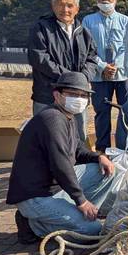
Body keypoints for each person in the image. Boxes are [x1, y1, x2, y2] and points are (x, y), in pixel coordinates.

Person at [8, 72, 115, 243]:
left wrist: (99, 157)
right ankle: (33, 225)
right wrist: (81, 201)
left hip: (55, 188)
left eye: (83, 95)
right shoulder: (52, 119)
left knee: (104, 170)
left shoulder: (67, 117)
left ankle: (78, 213)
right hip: (36, 196)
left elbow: (78, 150)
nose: (79, 99)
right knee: (92, 230)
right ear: (57, 95)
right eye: (73, 94)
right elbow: (61, 164)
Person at [28, 0, 98, 142]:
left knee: (78, 137)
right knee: (46, 137)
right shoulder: (41, 28)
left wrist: (83, 78)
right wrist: (71, 80)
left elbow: (92, 58)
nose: (65, 10)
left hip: (77, 96)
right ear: (53, 6)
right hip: (48, 94)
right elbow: (40, 58)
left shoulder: (83, 32)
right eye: (60, 5)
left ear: (77, 8)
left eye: (70, 5)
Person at [81, 0, 128, 152]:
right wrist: (103, 66)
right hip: (99, 75)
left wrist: (116, 65)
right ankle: (102, 149)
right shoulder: (88, 21)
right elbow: (86, 48)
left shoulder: (125, 21)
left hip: (122, 75)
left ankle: (124, 147)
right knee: (102, 112)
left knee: (126, 110)